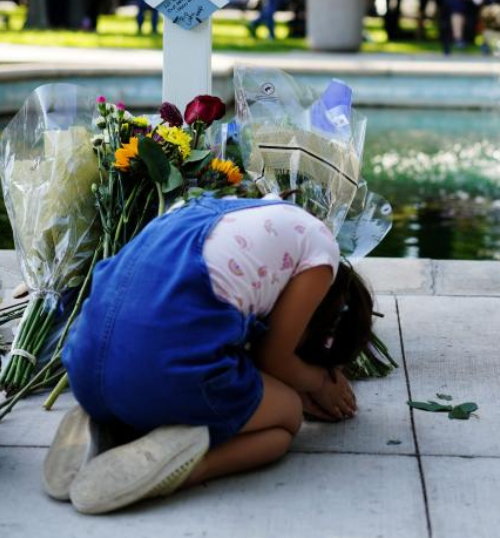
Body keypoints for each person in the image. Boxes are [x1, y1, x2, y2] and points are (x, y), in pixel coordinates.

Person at [45, 196, 375, 514]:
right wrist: (317, 382)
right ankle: (182, 468)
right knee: (286, 417)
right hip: (157, 377)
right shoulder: (321, 254)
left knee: (149, 361)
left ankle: (104, 422)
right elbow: (273, 359)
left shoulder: (242, 213)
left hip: (84, 367)